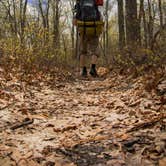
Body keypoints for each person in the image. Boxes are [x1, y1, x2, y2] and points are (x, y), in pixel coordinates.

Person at [73, 0, 104, 77]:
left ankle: (83, 71)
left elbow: (75, 19)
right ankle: (93, 69)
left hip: (83, 28)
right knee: (95, 50)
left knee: (83, 51)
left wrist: (78, 22)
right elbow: (101, 15)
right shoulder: (96, 1)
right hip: (94, 28)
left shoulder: (80, 1)